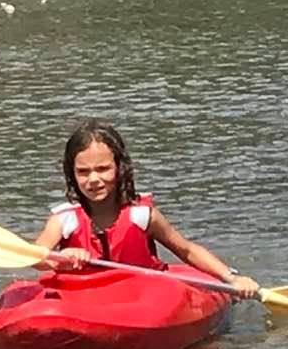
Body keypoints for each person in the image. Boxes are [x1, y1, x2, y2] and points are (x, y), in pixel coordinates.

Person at [34, 119, 260, 300]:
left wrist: (231, 278)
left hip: (141, 296)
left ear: (119, 168)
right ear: (72, 174)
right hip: (82, 296)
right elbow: (35, 256)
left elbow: (186, 250)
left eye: (103, 169)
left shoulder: (141, 215)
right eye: (83, 172)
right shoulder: (64, 220)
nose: (93, 179)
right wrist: (59, 258)